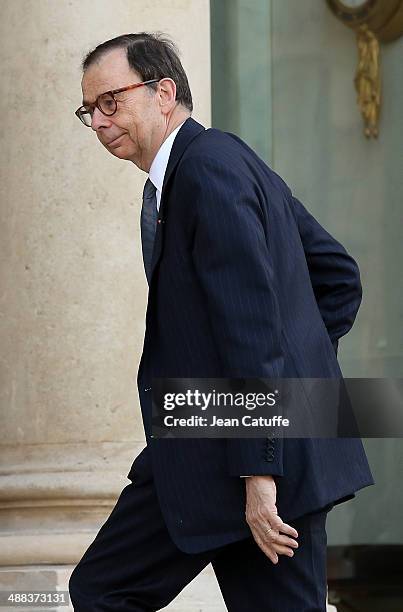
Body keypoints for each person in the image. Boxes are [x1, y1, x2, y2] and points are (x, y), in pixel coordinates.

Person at [68, 33, 374, 611]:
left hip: (255, 465)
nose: (101, 121)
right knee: (103, 589)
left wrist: (262, 466)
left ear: (164, 93)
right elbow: (334, 278)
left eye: (112, 101)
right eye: (90, 110)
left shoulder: (207, 171)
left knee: (104, 591)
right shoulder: (215, 163)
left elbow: (253, 327)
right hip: (205, 444)